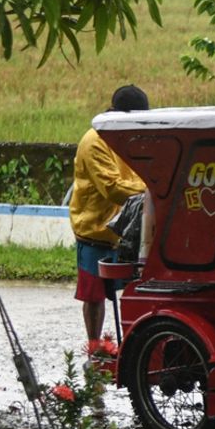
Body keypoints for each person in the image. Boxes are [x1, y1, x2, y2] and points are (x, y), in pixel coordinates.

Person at [69, 85, 149, 350]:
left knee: (136, 289)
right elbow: (113, 188)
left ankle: (133, 346)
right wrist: (156, 191)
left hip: (128, 229)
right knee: (94, 296)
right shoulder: (94, 141)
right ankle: (94, 348)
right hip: (96, 229)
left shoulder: (130, 137)